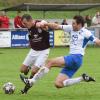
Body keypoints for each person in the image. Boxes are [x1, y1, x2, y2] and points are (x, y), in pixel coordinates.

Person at [20, 15, 100, 93]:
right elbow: (56, 26)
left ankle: (31, 81)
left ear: (79, 24)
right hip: (75, 62)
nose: (72, 25)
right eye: (72, 23)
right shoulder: (71, 28)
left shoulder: (86, 32)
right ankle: (82, 78)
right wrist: (46, 24)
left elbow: (97, 41)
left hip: (76, 57)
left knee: (49, 62)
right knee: (58, 84)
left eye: (74, 23)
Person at [20, 14, 50, 93]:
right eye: (23, 23)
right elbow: (31, 37)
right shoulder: (29, 28)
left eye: (25, 23)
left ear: (30, 21)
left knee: (34, 71)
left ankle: (25, 90)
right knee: (22, 70)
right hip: (33, 51)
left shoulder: (40, 24)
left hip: (43, 51)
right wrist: (30, 43)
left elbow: (46, 26)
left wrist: (42, 23)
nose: (24, 25)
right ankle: (29, 67)